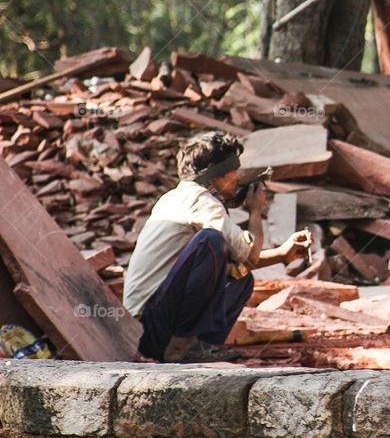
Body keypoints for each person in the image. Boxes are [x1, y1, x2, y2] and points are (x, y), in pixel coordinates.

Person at [123, 131, 313, 363]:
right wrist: (255, 212)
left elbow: (240, 261)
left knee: (242, 279)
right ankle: (181, 346)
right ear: (215, 173)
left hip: (152, 322)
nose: (238, 177)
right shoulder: (200, 200)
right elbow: (248, 254)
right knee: (210, 241)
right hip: (147, 327)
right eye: (234, 170)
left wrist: (282, 255)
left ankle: (202, 348)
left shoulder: (175, 197)